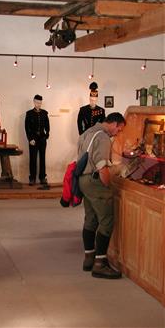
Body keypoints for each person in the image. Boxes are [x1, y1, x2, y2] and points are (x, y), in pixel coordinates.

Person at [77, 112, 126, 279]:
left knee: (90, 220)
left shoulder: (87, 132)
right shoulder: (103, 137)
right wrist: (108, 185)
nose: (118, 132)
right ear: (114, 123)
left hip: (83, 181)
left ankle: (89, 258)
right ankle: (100, 264)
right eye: (119, 129)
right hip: (95, 181)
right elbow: (102, 166)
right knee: (106, 221)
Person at [25, 94, 50, 186]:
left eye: (40, 103)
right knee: (33, 158)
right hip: (33, 139)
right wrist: (30, 139)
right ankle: (32, 178)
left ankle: (42, 177)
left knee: (42, 158)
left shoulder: (44, 113)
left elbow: (47, 126)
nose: (38, 104)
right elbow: (27, 128)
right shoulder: (29, 113)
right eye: (37, 102)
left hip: (42, 139)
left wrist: (46, 135)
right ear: (34, 102)